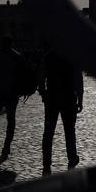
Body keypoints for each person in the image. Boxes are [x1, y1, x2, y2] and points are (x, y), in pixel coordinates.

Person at [38, 47, 83, 176]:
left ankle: (46, 163)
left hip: (52, 99)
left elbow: (41, 76)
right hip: (68, 99)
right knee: (69, 131)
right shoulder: (72, 56)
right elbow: (78, 80)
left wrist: (43, 93)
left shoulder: (48, 56)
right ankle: (72, 158)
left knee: (48, 132)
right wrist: (80, 99)